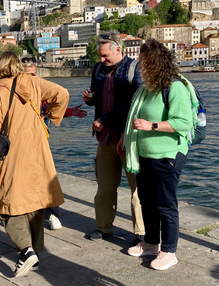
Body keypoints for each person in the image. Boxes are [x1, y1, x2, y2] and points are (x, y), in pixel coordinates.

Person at [0, 52, 69, 277]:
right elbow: (62, 93)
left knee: (8, 200)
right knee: (36, 199)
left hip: (13, 150)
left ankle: (26, 251)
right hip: (38, 149)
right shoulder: (33, 82)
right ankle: (36, 253)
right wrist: (50, 116)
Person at [119, 39, 195, 270]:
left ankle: (169, 251)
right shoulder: (147, 89)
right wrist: (127, 135)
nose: (140, 67)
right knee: (147, 201)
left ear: (156, 64)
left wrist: (151, 125)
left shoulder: (175, 87)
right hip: (145, 154)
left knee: (165, 204)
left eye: (144, 64)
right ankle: (151, 242)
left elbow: (183, 123)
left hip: (167, 154)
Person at [82, 30, 145, 244]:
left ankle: (141, 232)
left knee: (137, 188)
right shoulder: (98, 69)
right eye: (100, 55)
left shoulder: (135, 68)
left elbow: (135, 104)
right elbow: (97, 97)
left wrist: (106, 118)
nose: (101, 59)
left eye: (105, 55)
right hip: (106, 137)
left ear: (119, 50)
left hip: (128, 136)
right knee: (105, 187)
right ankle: (103, 227)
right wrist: (90, 99)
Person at [21, 55, 87, 230]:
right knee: (45, 175)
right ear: (34, 68)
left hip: (26, 137)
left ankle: (41, 213)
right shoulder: (41, 84)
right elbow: (52, 105)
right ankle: (52, 214)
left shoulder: (18, 85)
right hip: (38, 136)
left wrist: (67, 112)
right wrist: (67, 112)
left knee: (34, 176)